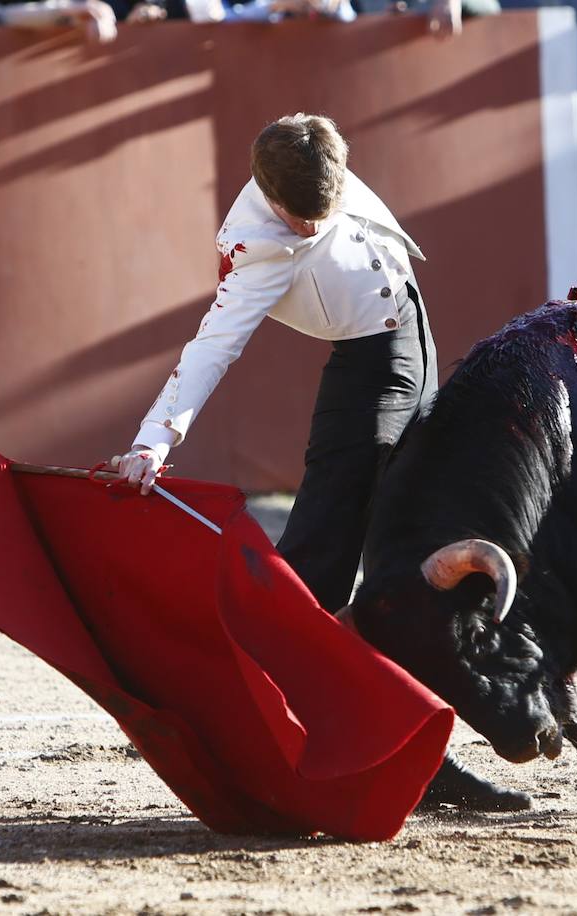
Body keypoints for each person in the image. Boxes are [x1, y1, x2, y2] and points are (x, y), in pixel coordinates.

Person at [109, 114, 529, 812]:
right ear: (270, 198)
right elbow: (213, 346)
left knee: (411, 549)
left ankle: (409, 739)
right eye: (297, 216)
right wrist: (156, 436)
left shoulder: (312, 152)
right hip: (369, 382)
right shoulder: (259, 249)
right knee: (322, 563)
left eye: (321, 213)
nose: (310, 227)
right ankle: (235, 709)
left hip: (414, 350)